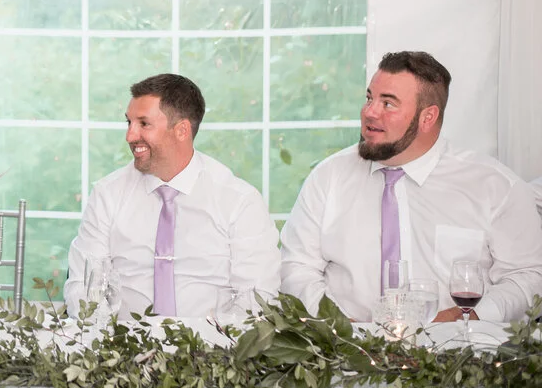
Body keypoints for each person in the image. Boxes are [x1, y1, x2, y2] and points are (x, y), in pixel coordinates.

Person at [280, 51, 542, 322]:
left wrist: (470, 317)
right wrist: (339, 326)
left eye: (388, 103)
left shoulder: (496, 186)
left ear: (427, 117)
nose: (369, 112)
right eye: (369, 98)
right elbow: (296, 267)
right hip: (345, 344)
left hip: (458, 344)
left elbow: (527, 275)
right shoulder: (328, 177)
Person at [64, 74, 280, 318]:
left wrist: (216, 341)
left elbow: (257, 299)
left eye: (144, 124)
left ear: (181, 130)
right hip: (121, 338)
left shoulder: (239, 201)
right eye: (129, 123)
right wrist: (104, 336)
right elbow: (82, 287)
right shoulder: (107, 194)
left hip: (215, 341)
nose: (130, 136)